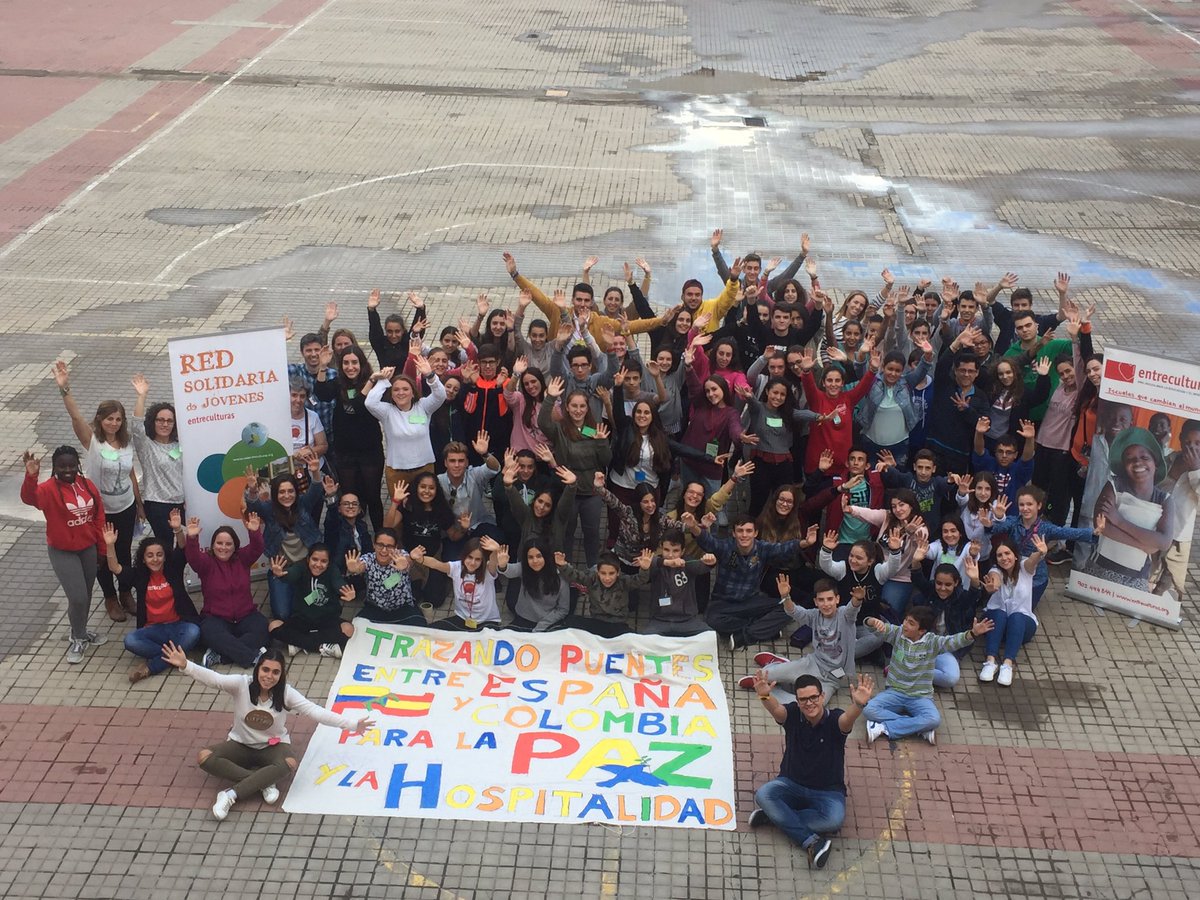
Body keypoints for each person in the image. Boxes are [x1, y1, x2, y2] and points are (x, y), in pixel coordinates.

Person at [161, 642, 374, 820]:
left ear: (281, 675)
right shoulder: (241, 684)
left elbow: (315, 711)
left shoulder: (286, 694)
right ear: (257, 670)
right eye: (265, 670)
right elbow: (214, 679)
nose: (269, 676)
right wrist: (186, 665)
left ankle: (230, 795)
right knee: (204, 757)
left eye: (275, 672)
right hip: (240, 744)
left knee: (289, 762)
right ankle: (263, 782)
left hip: (273, 747)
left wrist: (352, 725)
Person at [747, 671, 875, 869]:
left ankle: (775, 816)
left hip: (827, 792)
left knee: (833, 820)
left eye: (814, 697)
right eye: (803, 699)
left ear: (822, 696)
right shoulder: (792, 715)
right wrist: (764, 695)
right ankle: (812, 842)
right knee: (764, 794)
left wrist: (858, 705)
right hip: (791, 783)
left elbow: (848, 719)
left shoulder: (835, 721)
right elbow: (776, 710)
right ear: (797, 702)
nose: (809, 703)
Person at [53, 360, 139, 622]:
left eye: (118, 419)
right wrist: (65, 387)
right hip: (100, 511)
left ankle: (126, 593)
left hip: (126, 506)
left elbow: (131, 471)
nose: (113, 423)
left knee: (124, 551)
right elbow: (76, 417)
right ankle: (110, 599)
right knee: (101, 555)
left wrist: (140, 502)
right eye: (109, 418)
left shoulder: (126, 442)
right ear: (100, 420)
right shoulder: (93, 443)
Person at [21, 447, 108, 665]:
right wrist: (31, 476)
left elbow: (98, 517)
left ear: (77, 465)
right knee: (77, 597)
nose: (67, 470)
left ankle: (81, 631)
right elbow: (29, 498)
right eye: (62, 466)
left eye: (71, 466)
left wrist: (102, 550)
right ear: (55, 467)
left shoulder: (87, 485)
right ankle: (77, 638)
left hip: (88, 548)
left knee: (86, 595)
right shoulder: (48, 489)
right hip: (62, 551)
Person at [861, 606, 993, 743]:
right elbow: (875, 629)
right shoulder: (897, 633)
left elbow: (953, 642)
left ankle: (884, 727)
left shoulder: (932, 642)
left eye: (911, 623)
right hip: (894, 692)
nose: (905, 625)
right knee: (869, 709)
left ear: (922, 630)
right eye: (905, 620)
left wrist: (972, 633)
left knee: (933, 719)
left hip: (920, 697)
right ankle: (918, 727)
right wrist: (872, 621)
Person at [105, 511, 200, 683]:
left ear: (164, 556)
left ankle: (151, 667)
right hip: (152, 630)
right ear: (143, 559)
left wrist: (178, 529)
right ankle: (178, 657)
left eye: (159, 555)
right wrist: (110, 545)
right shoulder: (139, 576)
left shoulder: (173, 570)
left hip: (178, 625)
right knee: (130, 640)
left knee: (194, 632)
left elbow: (182, 548)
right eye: (150, 556)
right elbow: (114, 567)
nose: (155, 559)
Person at [690, 513, 808, 650]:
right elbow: (707, 541)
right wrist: (693, 526)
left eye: (748, 531)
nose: (744, 535)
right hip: (723, 603)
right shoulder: (725, 547)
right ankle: (765, 630)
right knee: (711, 619)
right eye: (740, 531)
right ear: (733, 533)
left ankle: (743, 636)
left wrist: (805, 543)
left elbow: (783, 549)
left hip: (751, 601)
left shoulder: (762, 548)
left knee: (789, 608)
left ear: (755, 533)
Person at [1088, 427, 1173, 591]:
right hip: (1098, 572)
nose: (1137, 462)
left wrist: (1119, 520)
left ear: (1155, 463)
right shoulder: (1113, 486)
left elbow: (1164, 542)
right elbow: (1102, 526)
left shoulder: (1166, 500)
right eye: (1129, 459)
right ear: (1123, 465)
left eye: (1144, 457)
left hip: (1137, 581)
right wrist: (1147, 544)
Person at [539, 377, 613, 565]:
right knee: (566, 532)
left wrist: (602, 442)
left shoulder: (591, 431)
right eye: (574, 406)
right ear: (567, 408)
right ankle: (567, 572)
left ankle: (593, 571)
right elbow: (542, 422)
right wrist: (549, 398)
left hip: (591, 492)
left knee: (592, 533)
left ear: (587, 408)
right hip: (568, 491)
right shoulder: (560, 429)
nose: (578, 410)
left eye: (582, 406)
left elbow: (605, 460)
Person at [313, 344, 386, 530]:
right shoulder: (339, 382)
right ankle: (352, 536)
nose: (350, 367)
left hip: (369, 451)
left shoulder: (375, 384)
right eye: (346, 363)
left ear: (362, 363)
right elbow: (322, 393)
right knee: (350, 498)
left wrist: (370, 382)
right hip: (345, 452)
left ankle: (380, 536)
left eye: (354, 362)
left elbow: (357, 406)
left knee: (373, 497)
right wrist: (322, 367)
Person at [243, 460, 326, 620]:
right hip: (281, 568)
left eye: (290, 491)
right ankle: (278, 581)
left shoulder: (303, 504)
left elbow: (315, 491)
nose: (286, 496)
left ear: (296, 492)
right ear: (275, 494)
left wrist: (315, 472)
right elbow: (253, 507)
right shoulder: (269, 509)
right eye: (281, 492)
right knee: (282, 614)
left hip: (307, 566)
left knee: (313, 606)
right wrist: (253, 489)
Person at [184, 514, 270, 669]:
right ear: (213, 545)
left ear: (235, 546)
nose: (223, 547)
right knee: (208, 633)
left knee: (263, 628)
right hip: (216, 618)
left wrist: (254, 532)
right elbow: (193, 557)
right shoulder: (206, 563)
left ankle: (220, 655)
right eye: (219, 543)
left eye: (228, 544)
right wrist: (192, 538)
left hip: (246, 615)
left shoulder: (243, 558)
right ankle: (252, 657)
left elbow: (257, 548)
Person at [366, 355, 446, 496]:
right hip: (397, 472)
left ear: (413, 393)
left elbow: (440, 395)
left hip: (424, 469)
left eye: (405, 389)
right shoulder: (387, 412)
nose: (401, 393)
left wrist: (430, 375)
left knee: (425, 507)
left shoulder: (423, 407)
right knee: (400, 511)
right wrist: (383, 381)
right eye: (396, 390)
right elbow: (370, 403)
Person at [267, 545, 356, 659]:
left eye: (323, 561)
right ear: (308, 559)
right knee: (273, 626)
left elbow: (338, 582)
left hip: (327, 620)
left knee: (349, 629)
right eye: (315, 559)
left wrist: (346, 592)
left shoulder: (332, 570)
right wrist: (280, 575)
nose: (318, 565)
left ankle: (298, 643)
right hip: (301, 620)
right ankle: (324, 646)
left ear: (329, 562)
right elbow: (291, 575)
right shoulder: (300, 567)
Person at [978, 536, 1045, 686]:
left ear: (1015, 555)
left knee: (1017, 616)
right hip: (997, 626)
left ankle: (1008, 664)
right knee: (1000, 613)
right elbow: (995, 579)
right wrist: (993, 587)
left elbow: (1032, 561)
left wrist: (1040, 552)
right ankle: (990, 662)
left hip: (1022, 626)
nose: (1004, 558)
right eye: (1000, 555)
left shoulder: (1024, 568)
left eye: (1007, 553)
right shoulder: (995, 570)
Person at [129, 374, 185, 544]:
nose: (165, 424)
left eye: (169, 421)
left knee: (184, 547)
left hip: (181, 503)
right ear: (153, 422)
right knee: (166, 546)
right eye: (160, 420)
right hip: (157, 504)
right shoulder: (147, 446)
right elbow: (136, 425)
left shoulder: (180, 445)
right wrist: (142, 395)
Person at [410, 536, 502, 631]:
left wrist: (496, 550)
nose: (472, 562)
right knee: (430, 631)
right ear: (464, 555)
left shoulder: (487, 570)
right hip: (463, 619)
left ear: (483, 560)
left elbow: (494, 561)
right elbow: (436, 564)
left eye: (478, 559)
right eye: (470, 557)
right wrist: (419, 559)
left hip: (487, 622)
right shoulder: (456, 567)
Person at [557, 550, 653, 637]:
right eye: (603, 573)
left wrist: (644, 569)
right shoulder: (592, 579)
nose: (607, 578)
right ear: (598, 572)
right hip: (596, 622)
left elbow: (640, 579)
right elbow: (575, 575)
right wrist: (562, 565)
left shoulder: (624, 582)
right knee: (570, 621)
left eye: (611, 573)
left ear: (618, 572)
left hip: (618, 624)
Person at [1155, 420, 1200, 598]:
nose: (1192, 449)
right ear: (1180, 439)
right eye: (1188, 443)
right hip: (1154, 527)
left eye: (1198, 444)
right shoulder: (1170, 459)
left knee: (1170, 583)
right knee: (1148, 573)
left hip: (1178, 537)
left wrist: (1195, 470)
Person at [344, 530, 425, 626]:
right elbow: (360, 566)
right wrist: (354, 569)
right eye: (380, 545)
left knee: (421, 626)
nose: (384, 550)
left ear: (396, 548)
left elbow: (407, 562)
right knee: (357, 627)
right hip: (374, 608)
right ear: (374, 545)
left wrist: (410, 559)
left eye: (389, 546)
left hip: (403, 608)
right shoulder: (368, 558)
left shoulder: (400, 556)